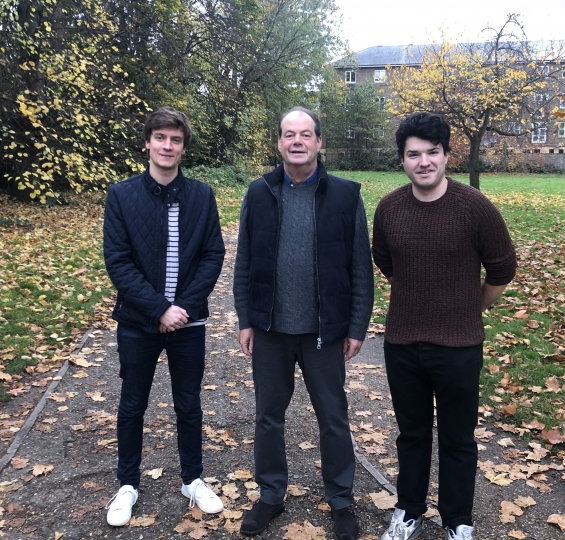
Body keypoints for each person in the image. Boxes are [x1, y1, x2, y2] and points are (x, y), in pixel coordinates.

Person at [372, 112, 517, 540]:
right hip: (402, 343)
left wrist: (471, 307)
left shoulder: (475, 207)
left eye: (432, 152)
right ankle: (408, 511)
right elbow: (385, 261)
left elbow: (502, 269)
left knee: (458, 440)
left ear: (446, 155)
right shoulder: (390, 208)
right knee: (411, 435)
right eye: (413, 154)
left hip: (459, 346)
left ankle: (458, 522)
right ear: (402, 160)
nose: (423, 162)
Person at [233, 106, 374, 539]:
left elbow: (359, 269)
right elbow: (244, 262)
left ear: (319, 142)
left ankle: (341, 501)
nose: (297, 141)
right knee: (268, 417)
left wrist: (355, 326)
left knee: (333, 417)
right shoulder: (258, 193)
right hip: (271, 330)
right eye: (289, 134)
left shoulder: (346, 195)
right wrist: (246, 318)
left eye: (306, 134)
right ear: (278, 142)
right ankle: (271, 495)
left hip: (323, 333)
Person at [103, 106, 226, 527]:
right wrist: (158, 309)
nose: (167, 146)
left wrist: (181, 310)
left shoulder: (201, 196)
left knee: (189, 404)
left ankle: (192, 479)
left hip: (188, 324)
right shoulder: (121, 196)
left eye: (175, 139)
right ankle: (127, 484)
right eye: (160, 138)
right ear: (147, 143)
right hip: (139, 323)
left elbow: (213, 255)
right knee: (132, 404)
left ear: (183, 147)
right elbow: (118, 262)